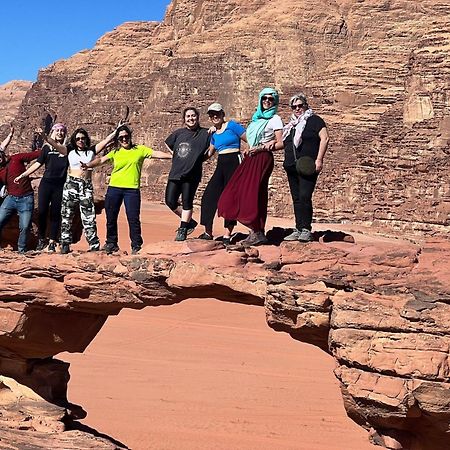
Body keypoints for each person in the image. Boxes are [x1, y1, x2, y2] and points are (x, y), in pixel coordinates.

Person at [83, 124, 171, 254]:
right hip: (114, 188)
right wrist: (88, 165)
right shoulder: (115, 152)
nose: (124, 139)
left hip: (132, 190)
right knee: (111, 217)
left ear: (130, 136)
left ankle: (136, 245)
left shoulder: (139, 150)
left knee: (133, 218)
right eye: (121, 138)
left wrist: (172, 156)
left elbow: (155, 154)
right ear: (117, 140)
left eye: (126, 136)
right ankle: (111, 243)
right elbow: (101, 160)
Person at [37, 125, 119, 254]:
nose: (81, 140)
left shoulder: (91, 151)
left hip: (85, 185)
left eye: (83, 138)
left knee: (89, 216)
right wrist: (45, 137)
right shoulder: (69, 150)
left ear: (86, 139)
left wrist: (115, 132)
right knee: (67, 214)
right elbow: (55, 145)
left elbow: (105, 141)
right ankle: (65, 243)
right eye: (78, 138)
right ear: (74, 140)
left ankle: (93, 244)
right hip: (71, 185)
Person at [218, 87, 284, 246]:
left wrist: (261, 147)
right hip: (251, 157)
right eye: (264, 98)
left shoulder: (275, 119)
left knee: (254, 194)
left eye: (271, 99)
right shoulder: (256, 119)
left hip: (262, 158)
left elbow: (281, 143)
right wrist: (250, 148)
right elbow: (251, 140)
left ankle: (256, 232)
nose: (267, 101)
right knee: (236, 192)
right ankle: (256, 231)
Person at [282, 93, 329, 242]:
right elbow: (283, 143)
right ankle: (298, 228)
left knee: (304, 196)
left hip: (308, 166)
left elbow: (325, 138)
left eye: (300, 105)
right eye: (294, 106)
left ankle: (306, 229)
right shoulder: (291, 125)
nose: (297, 109)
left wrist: (319, 159)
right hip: (291, 166)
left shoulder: (314, 120)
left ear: (306, 105)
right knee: (296, 198)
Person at [14, 123, 68, 252]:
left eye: (62, 131)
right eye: (58, 130)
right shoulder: (46, 148)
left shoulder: (67, 148)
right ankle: (41, 239)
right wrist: (23, 175)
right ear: (53, 132)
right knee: (42, 213)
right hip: (46, 184)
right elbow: (37, 164)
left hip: (60, 185)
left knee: (55, 214)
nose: (60, 133)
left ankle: (52, 241)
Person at [198, 103, 246, 244]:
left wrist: (247, 153)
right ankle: (208, 232)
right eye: (212, 114)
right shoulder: (214, 134)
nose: (214, 116)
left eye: (217, 113)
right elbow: (209, 153)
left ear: (222, 113)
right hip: (221, 164)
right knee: (208, 197)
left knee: (230, 199)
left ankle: (227, 235)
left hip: (234, 161)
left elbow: (248, 138)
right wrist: (193, 157)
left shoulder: (232, 126)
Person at [164, 107, 211, 241]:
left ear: (198, 117)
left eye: (193, 116)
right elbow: (167, 143)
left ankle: (183, 228)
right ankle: (189, 221)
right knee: (170, 200)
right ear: (184, 119)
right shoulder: (179, 133)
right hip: (175, 172)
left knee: (187, 201)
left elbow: (214, 144)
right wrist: (174, 155)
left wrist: (204, 157)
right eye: (188, 116)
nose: (191, 119)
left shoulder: (206, 133)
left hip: (192, 173)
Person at [0, 147, 41, 253]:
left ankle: (21, 250)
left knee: (25, 226)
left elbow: (34, 155)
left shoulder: (16, 158)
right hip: (10, 198)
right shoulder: (0, 171)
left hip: (26, 198)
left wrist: (51, 147)